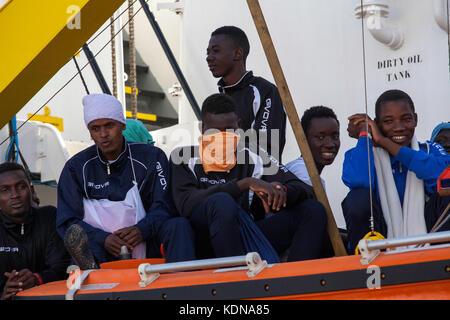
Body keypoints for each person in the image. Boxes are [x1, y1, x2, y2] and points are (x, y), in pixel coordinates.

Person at [169, 93, 327, 262]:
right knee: (222, 202)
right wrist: (244, 184)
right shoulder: (184, 156)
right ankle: (234, 277)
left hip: (246, 235)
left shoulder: (254, 155)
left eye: (229, 131)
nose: (222, 138)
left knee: (313, 210)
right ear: (202, 129)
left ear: (239, 126)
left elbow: (304, 188)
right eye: (215, 132)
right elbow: (186, 205)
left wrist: (281, 191)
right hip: (203, 240)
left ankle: (298, 279)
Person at [56, 93, 195, 264]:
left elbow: (165, 204)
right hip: (99, 248)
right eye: (95, 128)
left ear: (122, 124)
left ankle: (183, 284)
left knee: (178, 225)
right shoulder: (75, 168)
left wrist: (142, 229)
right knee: (82, 243)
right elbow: (67, 220)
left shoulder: (152, 157)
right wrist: (103, 239)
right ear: (90, 133)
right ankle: (90, 287)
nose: (103, 134)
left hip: (149, 240)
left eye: (109, 125)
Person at [342, 89, 450, 252]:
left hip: (429, 238)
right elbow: (360, 180)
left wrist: (385, 142)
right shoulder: (365, 152)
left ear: (415, 119)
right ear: (377, 124)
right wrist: (365, 135)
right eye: (388, 121)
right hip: (380, 241)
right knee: (358, 197)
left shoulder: (430, 149)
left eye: (406, 119)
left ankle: (443, 257)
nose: (399, 127)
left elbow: (440, 176)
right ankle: (365, 264)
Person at [206, 26, 286, 161]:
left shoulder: (264, 91)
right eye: (207, 52)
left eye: (216, 51)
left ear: (238, 53)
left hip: (257, 178)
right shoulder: (217, 99)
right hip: (224, 178)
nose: (209, 58)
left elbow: (266, 151)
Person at [0, 162, 70, 300]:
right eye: (5, 190)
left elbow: (63, 269)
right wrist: (4, 295)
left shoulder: (49, 217)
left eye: (21, 187)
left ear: (31, 191)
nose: (15, 195)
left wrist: (37, 278)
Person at [286, 106, 340, 189]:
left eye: (335, 136)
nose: (330, 144)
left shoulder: (315, 178)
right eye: (320, 137)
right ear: (304, 139)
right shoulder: (301, 173)